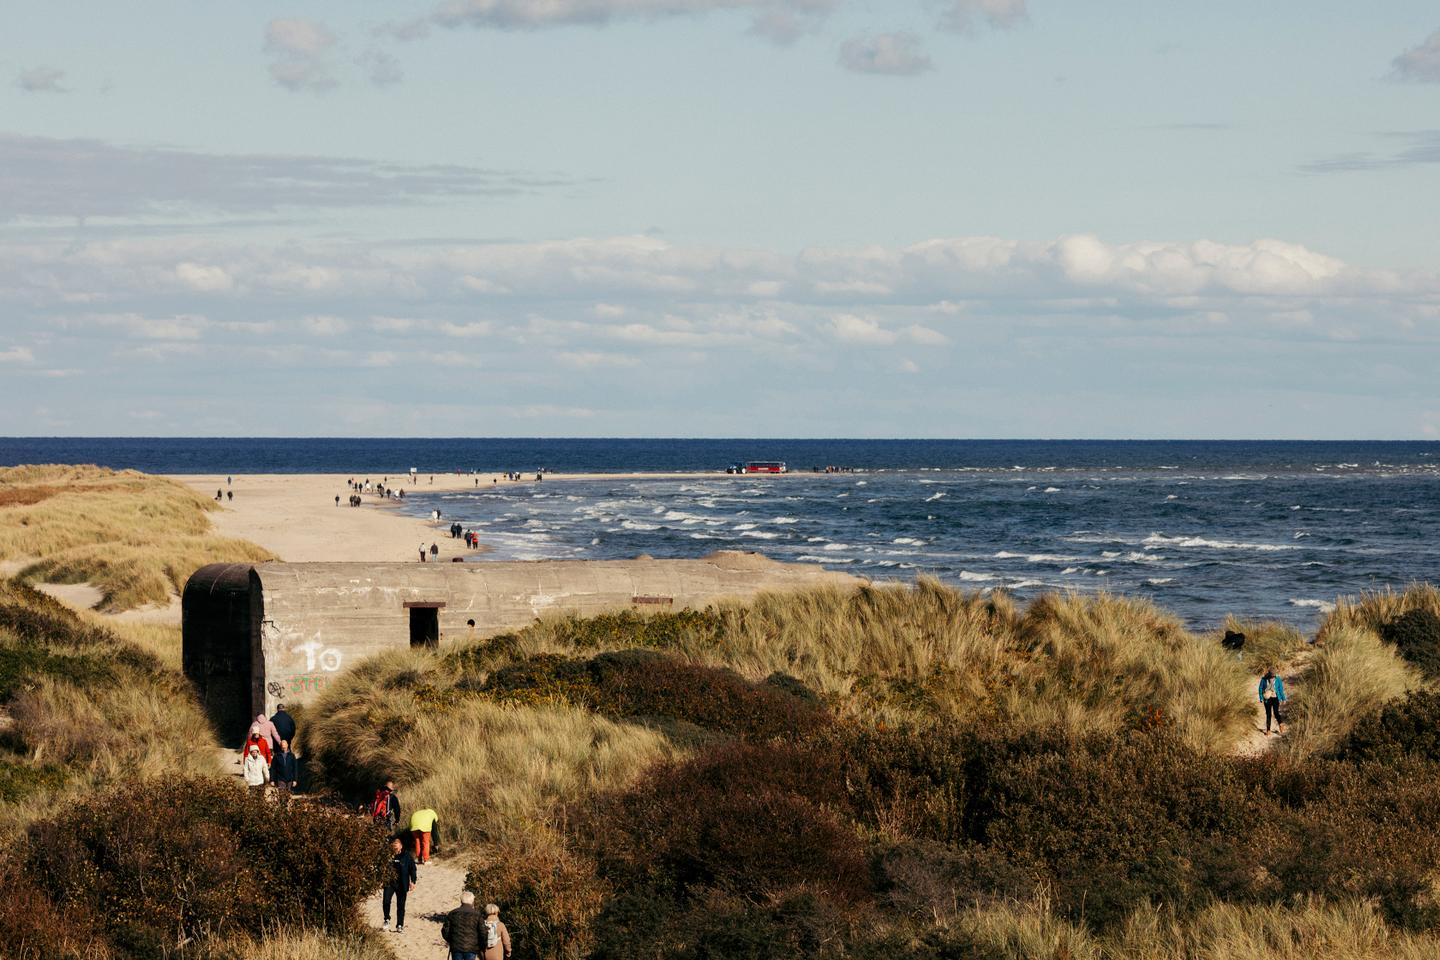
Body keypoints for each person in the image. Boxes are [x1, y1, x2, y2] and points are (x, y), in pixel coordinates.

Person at [381, 837, 417, 933]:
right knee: (386, 901)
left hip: (402, 883)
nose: (395, 845)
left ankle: (400, 925)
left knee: (401, 905)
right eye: (393, 844)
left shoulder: (407, 856)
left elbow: (413, 869)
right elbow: (381, 868)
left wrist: (413, 881)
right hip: (389, 882)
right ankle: (386, 919)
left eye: (397, 843)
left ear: (401, 846)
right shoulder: (387, 856)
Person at [441, 891, 484, 960]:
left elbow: (445, 931)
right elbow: (483, 932)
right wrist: (481, 945)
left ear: (461, 901)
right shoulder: (477, 915)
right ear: (472, 901)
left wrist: (452, 940)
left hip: (456, 947)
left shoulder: (452, 913)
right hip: (471, 948)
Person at [1259, 667, 1287, 736]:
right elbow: (1260, 688)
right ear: (1269, 674)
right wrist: (1261, 698)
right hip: (1267, 699)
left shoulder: (1278, 679)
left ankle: (1281, 724)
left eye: (1274, 675)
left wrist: (1283, 698)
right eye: (1272, 675)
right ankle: (1268, 730)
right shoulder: (1264, 679)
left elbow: (1281, 689)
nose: (1273, 676)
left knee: (1276, 712)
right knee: (1268, 714)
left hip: (1275, 698)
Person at [271, 740, 298, 805]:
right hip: (280, 779)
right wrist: (272, 780)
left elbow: (295, 768)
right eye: (282, 746)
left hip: (290, 779)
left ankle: (286, 810)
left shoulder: (292, 755)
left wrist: (295, 779)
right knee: (282, 795)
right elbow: (273, 769)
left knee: (288, 796)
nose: (283, 747)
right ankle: (283, 809)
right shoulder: (276, 756)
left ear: (287, 745)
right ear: (280, 746)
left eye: (284, 746)